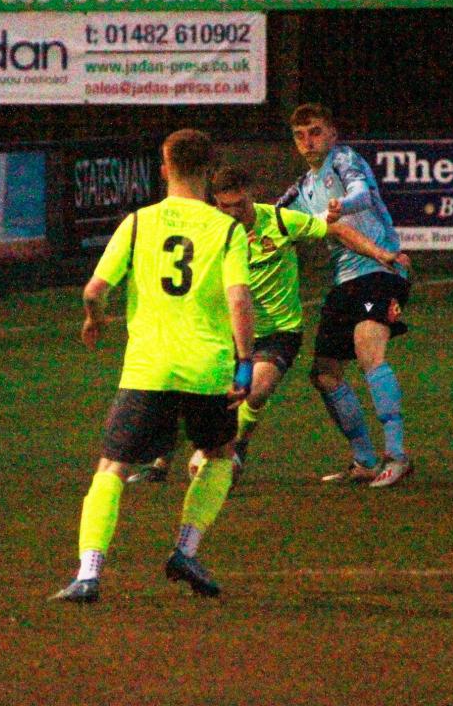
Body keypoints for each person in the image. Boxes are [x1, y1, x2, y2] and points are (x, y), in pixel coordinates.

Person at [50, 128, 255, 604]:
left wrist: (94, 319)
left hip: (149, 369)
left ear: (164, 170)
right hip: (208, 370)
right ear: (209, 171)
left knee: (112, 466)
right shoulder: (226, 229)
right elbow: (239, 299)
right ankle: (185, 550)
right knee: (220, 455)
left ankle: (88, 573)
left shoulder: (138, 223)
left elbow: (94, 291)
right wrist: (245, 363)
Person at [127, 164, 410, 485]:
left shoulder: (279, 220)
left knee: (255, 391)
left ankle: (232, 450)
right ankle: (160, 464)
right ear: (215, 202)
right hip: (228, 331)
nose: (234, 212)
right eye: (226, 206)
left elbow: (336, 230)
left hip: (278, 332)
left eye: (240, 204)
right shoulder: (211, 230)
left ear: (252, 195)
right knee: (191, 395)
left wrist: (380, 253)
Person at [279, 102, 414, 488]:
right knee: (324, 373)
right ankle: (365, 460)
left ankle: (397, 456)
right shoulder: (302, 188)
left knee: (369, 350)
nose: (308, 141)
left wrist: (343, 205)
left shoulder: (344, 159)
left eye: (315, 132)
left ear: (332, 134)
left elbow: (361, 193)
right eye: (300, 136)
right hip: (345, 283)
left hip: (381, 272)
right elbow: (273, 217)